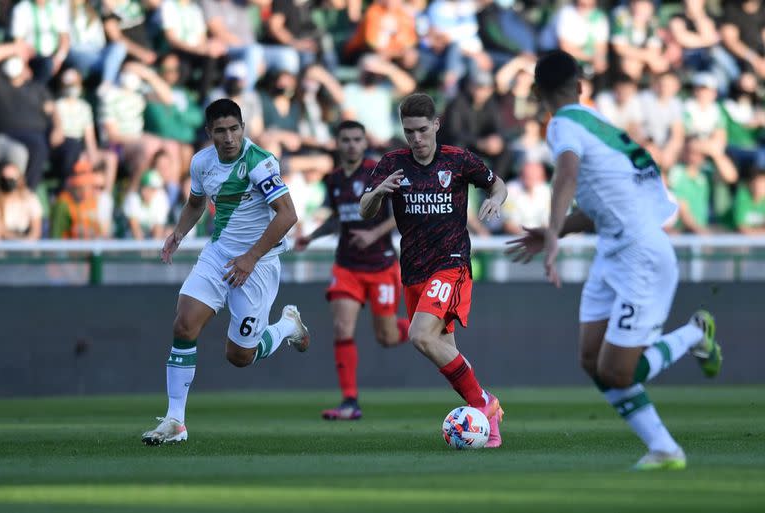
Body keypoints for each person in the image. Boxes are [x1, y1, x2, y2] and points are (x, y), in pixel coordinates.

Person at [506, 50, 723, 470]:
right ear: (581, 85)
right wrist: (560, 230)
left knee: (619, 372)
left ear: (537, 92)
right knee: (591, 361)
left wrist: (552, 233)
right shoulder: (601, 126)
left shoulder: (563, 124)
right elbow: (605, 205)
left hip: (640, 255)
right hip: (614, 250)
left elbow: (566, 174)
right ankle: (663, 449)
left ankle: (695, 333)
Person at [141, 99, 310, 446]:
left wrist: (250, 258)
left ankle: (286, 327)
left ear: (243, 128)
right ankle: (175, 420)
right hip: (218, 256)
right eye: (221, 131)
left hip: (258, 264)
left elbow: (287, 215)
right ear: (210, 133)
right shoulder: (202, 162)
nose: (230, 137)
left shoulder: (260, 163)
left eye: (235, 128)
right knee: (184, 324)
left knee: (240, 357)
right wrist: (177, 234)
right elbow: (196, 203)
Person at [359, 93, 507, 447]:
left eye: (423, 130)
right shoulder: (392, 163)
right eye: (409, 132)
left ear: (436, 125)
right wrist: (378, 191)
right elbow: (365, 210)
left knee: (420, 335)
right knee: (441, 347)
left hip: (451, 264)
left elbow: (497, 183)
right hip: (413, 269)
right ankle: (491, 423)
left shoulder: (457, 160)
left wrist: (494, 199)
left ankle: (482, 403)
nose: (417, 139)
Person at [294, 120, 410, 420]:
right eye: (345, 139)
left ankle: (424, 327)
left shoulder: (378, 171)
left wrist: (373, 235)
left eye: (357, 139)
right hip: (346, 265)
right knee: (342, 328)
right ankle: (350, 401)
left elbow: (402, 212)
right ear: (337, 143)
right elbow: (338, 219)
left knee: (386, 336)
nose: (351, 145)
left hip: (382, 264)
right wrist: (312, 236)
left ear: (364, 142)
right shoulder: (333, 180)